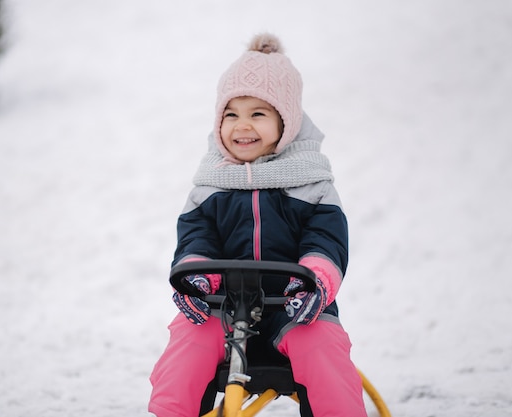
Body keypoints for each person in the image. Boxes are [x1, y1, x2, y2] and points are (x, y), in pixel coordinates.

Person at [148, 33, 367, 417]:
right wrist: (196, 280)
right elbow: (197, 239)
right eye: (231, 114)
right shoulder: (210, 186)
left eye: (258, 114)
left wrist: (313, 282)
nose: (242, 126)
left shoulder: (311, 183)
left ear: (287, 121)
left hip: (297, 309)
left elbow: (326, 241)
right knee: (187, 338)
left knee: (323, 347)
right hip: (221, 310)